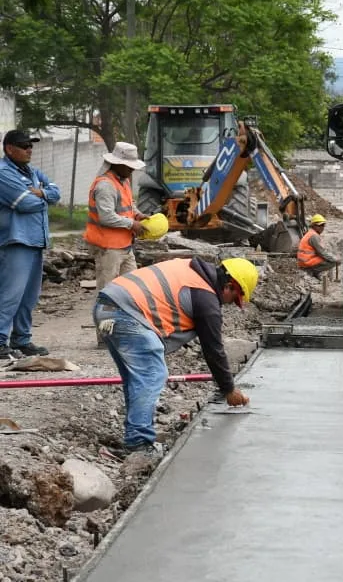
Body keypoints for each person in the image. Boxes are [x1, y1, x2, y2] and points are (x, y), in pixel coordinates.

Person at [93, 256, 257, 457]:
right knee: (152, 375)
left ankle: (134, 436)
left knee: (136, 377)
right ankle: (138, 445)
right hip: (125, 313)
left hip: (106, 307)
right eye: (234, 299)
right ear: (230, 286)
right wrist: (229, 389)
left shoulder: (192, 272)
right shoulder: (206, 299)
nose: (229, 304)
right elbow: (213, 349)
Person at [0, 129, 60, 359]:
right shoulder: (4, 173)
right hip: (15, 240)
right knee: (10, 294)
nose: (29, 149)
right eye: (24, 145)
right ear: (9, 149)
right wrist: (45, 197)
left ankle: (21, 339)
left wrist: (41, 194)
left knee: (29, 296)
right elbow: (24, 204)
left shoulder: (31, 171)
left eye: (31, 145)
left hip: (35, 240)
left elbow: (56, 192)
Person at [84, 142, 148, 345]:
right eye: (128, 166)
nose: (131, 170)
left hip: (124, 246)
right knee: (108, 294)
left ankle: (125, 332)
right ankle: (105, 338)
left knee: (133, 289)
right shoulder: (105, 185)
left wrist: (138, 215)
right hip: (108, 248)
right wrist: (132, 224)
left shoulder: (122, 181)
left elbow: (128, 205)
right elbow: (106, 216)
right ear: (116, 164)